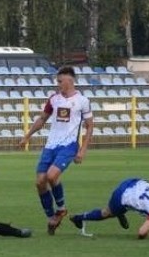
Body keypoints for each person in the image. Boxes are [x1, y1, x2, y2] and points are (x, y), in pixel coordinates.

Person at [18, 65, 94, 235]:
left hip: (68, 146)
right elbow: (42, 119)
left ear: (70, 80)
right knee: (39, 182)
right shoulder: (54, 99)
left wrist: (83, 150)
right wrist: (27, 135)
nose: (58, 83)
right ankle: (52, 216)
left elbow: (90, 126)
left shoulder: (82, 101)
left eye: (60, 81)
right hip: (50, 145)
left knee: (52, 176)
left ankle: (61, 208)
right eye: (57, 81)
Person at [70, 178, 149, 240]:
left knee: (121, 209)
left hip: (134, 181)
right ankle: (78, 218)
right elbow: (141, 232)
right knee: (106, 213)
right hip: (121, 197)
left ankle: (120, 212)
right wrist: (145, 235)